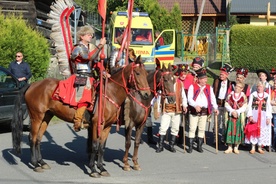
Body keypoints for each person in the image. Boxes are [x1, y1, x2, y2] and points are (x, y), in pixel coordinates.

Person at [56, 25, 106, 132]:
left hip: (91, 76)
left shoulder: (90, 47)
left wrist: (103, 71)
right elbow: (88, 57)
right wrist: (100, 46)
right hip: (81, 77)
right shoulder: (78, 48)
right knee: (85, 98)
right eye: (88, 35)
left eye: (91, 35)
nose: (91, 36)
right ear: (82, 36)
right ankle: (77, 121)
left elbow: (95, 62)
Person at [187, 67, 219, 153]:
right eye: (204, 79)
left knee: (201, 129)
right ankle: (190, 146)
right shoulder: (192, 87)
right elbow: (189, 99)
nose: (206, 80)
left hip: (204, 111)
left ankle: (199, 146)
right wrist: (195, 105)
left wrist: (215, 108)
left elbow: (213, 99)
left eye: (206, 78)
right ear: (199, 79)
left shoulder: (209, 87)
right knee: (192, 128)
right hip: (194, 111)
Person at [156, 71, 188, 153]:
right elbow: (159, 97)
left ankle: (171, 145)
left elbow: (183, 95)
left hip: (176, 109)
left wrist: (184, 105)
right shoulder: (164, 84)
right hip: (166, 109)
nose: (175, 77)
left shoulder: (179, 84)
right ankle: (160, 145)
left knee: (175, 128)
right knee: (163, 127)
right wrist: (158, 110)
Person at [244, 81, 272, 154]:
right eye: (258, 87)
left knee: (262, 130)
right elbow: (249, 105)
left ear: (264, 88)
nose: (259, 88)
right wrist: (250, 115)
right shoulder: (253, 95)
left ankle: (259, 147)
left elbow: (269, 107)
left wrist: (268, 117)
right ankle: (253, 146)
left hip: (263, 115)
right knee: (254, 130)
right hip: (254, 114)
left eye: (261, 87)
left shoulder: (266, 95)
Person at [212, 63, 234, 144]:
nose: (221, 76)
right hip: (217, 104)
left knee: (225, 122)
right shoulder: (216, 81)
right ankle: (215, 137)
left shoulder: (230, 83)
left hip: (225, 105)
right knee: (216, 122)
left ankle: (223, 137)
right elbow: (212, 91)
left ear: (227, 75)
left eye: (223, 74)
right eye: (220, 74)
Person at [224, 82, 248, 154]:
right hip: (231, 115)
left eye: (239, 87)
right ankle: (229, 147)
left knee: (238, 130)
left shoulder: (243, 96)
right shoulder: (230, 95)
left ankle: (236, 147)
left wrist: (237, 112)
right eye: (236, 86)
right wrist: (232, 111)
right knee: (230, 129)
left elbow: (245, 106)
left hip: (239, 115)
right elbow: (226, 104)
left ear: (242, 89)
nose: (237, 88)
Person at [270, 79, 276, 152]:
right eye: (274, 83)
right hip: (270, 111)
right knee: (270, 129)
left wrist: (274, 103)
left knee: (275, 130)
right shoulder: (271, 91)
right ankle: (269, 144)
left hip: (275, 112)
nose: (275, 85)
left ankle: (274, 145)